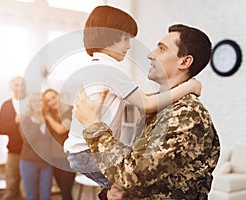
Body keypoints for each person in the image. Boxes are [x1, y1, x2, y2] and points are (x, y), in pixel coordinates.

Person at [74, 24, 220, 199]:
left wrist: (93, 125)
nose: (151, 55)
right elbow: (135, 173)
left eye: (162, 49)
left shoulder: (187, 113)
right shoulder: (160, 109)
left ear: (184, 61)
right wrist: (111, 193)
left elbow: (131, 174)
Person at [63, 5, 202, 187]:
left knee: (119, 189)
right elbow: (146, 103)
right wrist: (190, 86)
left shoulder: (95, 66)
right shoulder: (109, 70)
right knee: (132, 186)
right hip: (88, 152)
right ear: (109, 36)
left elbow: (143, 97)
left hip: (79, 152)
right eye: (125, 38)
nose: (128, 46)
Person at [0, 76, 27, 200]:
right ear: (11, 87)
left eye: (22, 84)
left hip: (31, 154)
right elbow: (0, 128)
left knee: (28, 189)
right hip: (14, 153)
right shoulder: (6, 105)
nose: (19, 87)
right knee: (11, 188)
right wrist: (15, 122)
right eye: (16, 85)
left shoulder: (33, 103)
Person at [42, 89, 76, 200]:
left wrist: (47, 116)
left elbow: (61, 129)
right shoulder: (50, 113)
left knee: (66, 191)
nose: (52, 101)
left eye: (53, 97)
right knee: (62, 190)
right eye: (48, 101)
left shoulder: (70, 111)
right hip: (54, 157)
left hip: (67, 159)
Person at [20, 92, 53, 200]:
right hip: (29, 163)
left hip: (46, 163)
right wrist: (37, 123)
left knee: (46, 195)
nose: (37, 103)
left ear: (44, 103)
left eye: (40, 100)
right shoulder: (25, 120)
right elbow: (28, 140)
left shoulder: (48, 120)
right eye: (34, 101)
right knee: (31, 196)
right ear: (30, 104)